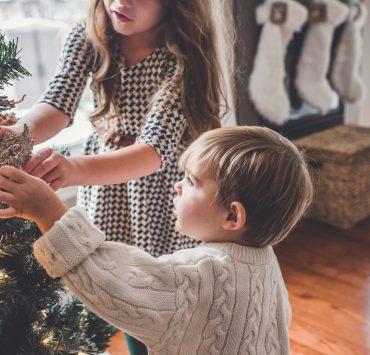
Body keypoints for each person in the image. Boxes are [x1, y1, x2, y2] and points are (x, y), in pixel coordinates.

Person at [0, 1, 233, 352]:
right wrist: (20, 132)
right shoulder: (89, 36)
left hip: (159, 195)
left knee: (155, 298)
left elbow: (152, 152)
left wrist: (73, 168)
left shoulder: (183, 56)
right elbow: (58, 104)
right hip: (107, 194)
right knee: (114, 288)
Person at [0, 126, 313, 354]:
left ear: (233, 217)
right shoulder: (264, 259)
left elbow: (111, 284)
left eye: (191, 182)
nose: (178, 186)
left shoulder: (200, 275)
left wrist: (48, 211)